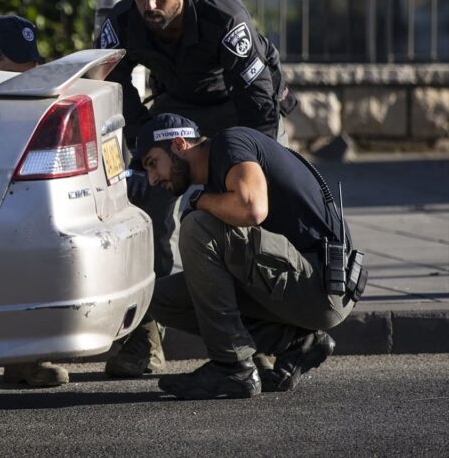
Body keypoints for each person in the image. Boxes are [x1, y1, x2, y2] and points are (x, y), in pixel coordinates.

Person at [96, 0, 298, 377]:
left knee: (251, 212)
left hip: (241, 106)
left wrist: (239, 169)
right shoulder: (122, 23)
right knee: (145, 202)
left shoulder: (223, 16)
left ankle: (262, 336)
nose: (149, 4)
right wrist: (144, 143)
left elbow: (259, 105)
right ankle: (142, 339)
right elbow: (111, 89)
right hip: (180, 109)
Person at [132, 113, 364, 399]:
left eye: (153, 164)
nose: (153, 179)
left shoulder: (230, 144)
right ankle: (298, 344)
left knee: (197, 225)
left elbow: (252, 208)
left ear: (179, 144)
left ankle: (232, 368)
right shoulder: (217, 177)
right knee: (159, 299)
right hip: (304, 283)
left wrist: (198, 201)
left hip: (322, 284)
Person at [0, 14, 70, 388]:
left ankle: (24, 358)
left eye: (31, 62)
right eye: (18, 64)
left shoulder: (29, 91)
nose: (30, 71)